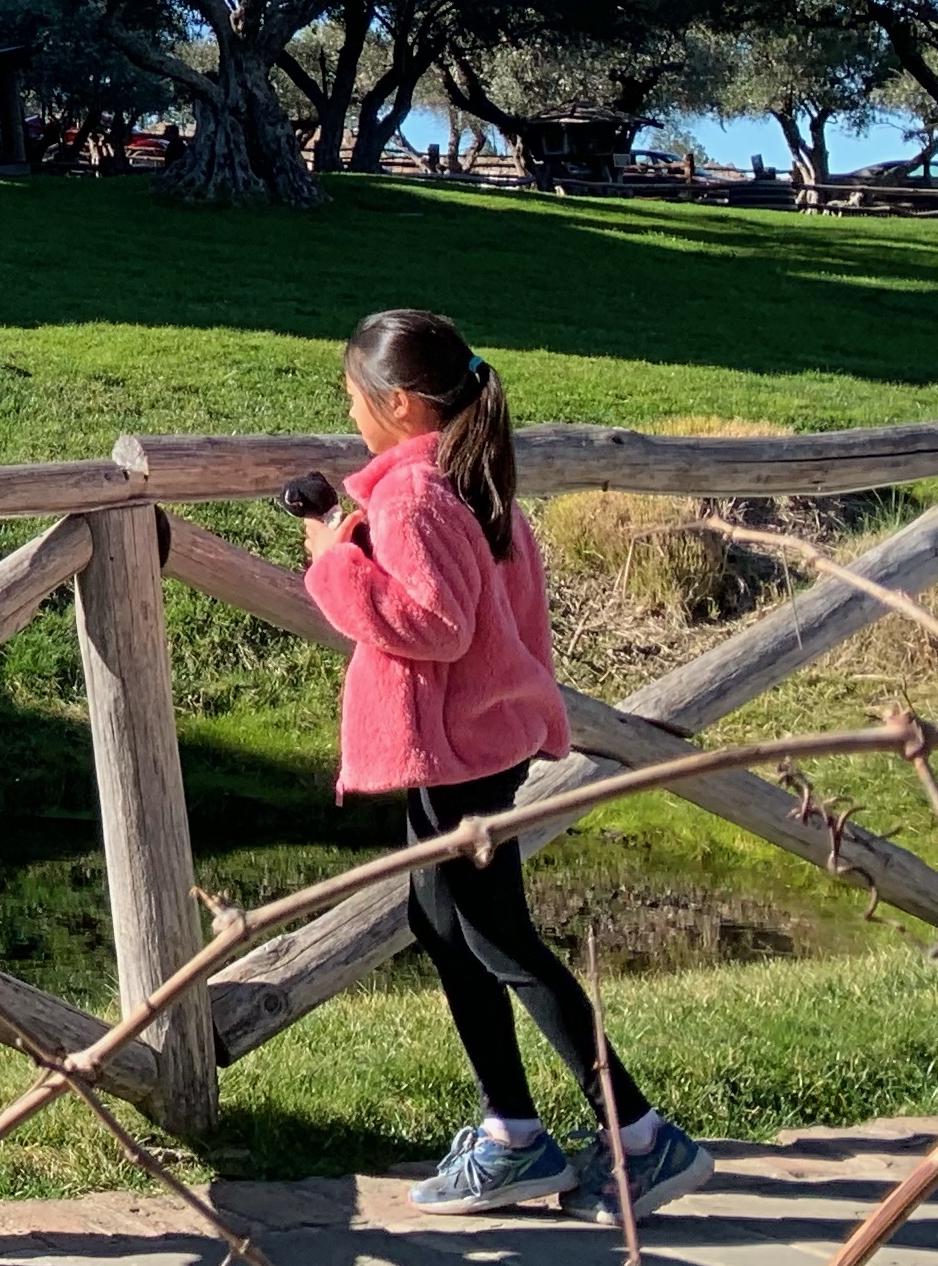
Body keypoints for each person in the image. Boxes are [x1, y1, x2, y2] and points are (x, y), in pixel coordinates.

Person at [297, 307, 712, 1216]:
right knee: (447, 928)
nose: (352, 419)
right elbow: (494, 617)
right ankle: (513, 1133)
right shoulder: (470, 485)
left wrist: (333, 564)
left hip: (452, 754)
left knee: (497, 940)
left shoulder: (410, 496)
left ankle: (641, 1136)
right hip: (478, 748)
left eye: (356, 402)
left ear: (400, 404)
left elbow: (434, 626)